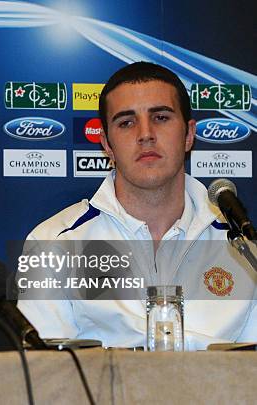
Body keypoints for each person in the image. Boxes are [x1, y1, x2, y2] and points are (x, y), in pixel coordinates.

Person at [17, 62, 256, 350]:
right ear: (106, 143)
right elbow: (45, 377)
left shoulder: (244, 247)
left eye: (161, 117)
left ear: (189, 134)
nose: (145, 134)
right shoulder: (51, 243)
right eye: (126, 122)